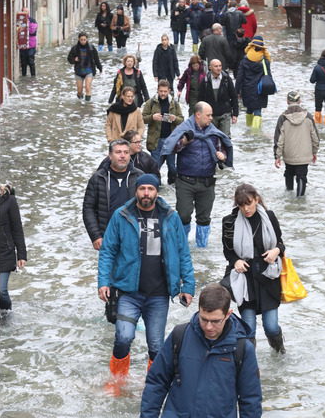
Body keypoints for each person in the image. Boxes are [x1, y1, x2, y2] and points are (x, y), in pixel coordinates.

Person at [97, 173, 195, 395]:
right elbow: (108, 251)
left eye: (151, 189)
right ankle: (116, 382)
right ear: (136, 191)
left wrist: (188, 286)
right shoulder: (122, 215)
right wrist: (103, 281)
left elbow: (183, 253)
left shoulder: (171, 217)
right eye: (143, 189)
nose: (146, 193)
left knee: (156, 346)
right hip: (127, 291)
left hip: (159, 294)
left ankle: (153, 385)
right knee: (123, 337)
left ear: (157, 192)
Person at [141, 283, 261, 417]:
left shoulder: (243, 349)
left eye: (215, 321)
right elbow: (156, 382)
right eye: (204, 319)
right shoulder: (179, 335)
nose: (209, 327)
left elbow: (250, 400)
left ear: (228, 314)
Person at [222, 183, 286, 353]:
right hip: (245, 279)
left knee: (271, 327)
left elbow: (281, 243)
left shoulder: (269, 217)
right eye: (241, 205)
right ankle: (249, 365)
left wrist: (276, 251)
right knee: (248, 330)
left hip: (268, 277)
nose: (246, 209)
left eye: (249, 203)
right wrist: (235, 261)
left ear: (256, 199)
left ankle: (279, 353)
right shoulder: (229, 222)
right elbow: (228, 252)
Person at [161, 101, 234, 248]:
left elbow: (222, 150)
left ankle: (202, 249)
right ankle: (182, 246)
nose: (211, 118)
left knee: (204, 218)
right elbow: (173, 147)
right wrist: (185, 141)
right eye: (208, 115)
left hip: (207, 182)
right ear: (198, 115)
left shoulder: (213, 132)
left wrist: (222, 156)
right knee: (183, 215)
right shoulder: (184, 130)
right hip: (185, 181)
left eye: (211, 115)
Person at [83, 138, 144, 251]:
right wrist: (95, 236)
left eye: (126, 152)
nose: (122, 156)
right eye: (118, 152)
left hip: (135, 236)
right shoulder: (98, 178)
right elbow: (88, 209)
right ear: (110, 155)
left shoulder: (140, 177)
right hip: (107, 236)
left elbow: (151, 206)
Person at [273, 90, 320, 197]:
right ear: (299, 101)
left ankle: (288, 199)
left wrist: (277, 156)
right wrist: (314, 151)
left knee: (288, 174)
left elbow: (279, 139)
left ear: (287, 101)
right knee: (302, 176)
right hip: (304, 154)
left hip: (289, 154)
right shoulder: (308, 116)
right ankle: (300, 203)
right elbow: (315, 137)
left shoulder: (283, 118)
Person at [142, 79, 185, 185]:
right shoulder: (150, 103)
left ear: (169, 90)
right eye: (161, 91)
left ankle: (172, 188)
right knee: (155, 167)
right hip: (156, 140)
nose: (162, 93)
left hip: (171, 140)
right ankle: (156, 187)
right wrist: (152, 117)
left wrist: (175, 118)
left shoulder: (174, 104)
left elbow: (182, 120)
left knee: (172, 168)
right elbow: (142, 119)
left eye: (165, 91)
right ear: (157, 90)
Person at [0, 182, 28, 318]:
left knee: (1, 291)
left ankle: (7, 314)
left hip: (5, 252)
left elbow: (17, 229)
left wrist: (21, 254)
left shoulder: (9, 200)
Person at [235, 35, 273, 129]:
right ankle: (255, 133)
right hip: (260, 90)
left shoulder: (245, 60)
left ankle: (248, 128)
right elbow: (268, 76)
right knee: (257, 111)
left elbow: (239, 77)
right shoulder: (264, 61)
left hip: (247, 89)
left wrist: (236, 91)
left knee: (249, 109)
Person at [197, 59, 239, 138]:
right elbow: (200, 99)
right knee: (211, 137)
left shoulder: (227, 79)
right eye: (216, 66)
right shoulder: (205, 81)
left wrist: (235, 114)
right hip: (210, 116)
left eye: (220, 66)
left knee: (225, 137)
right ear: (210, 67)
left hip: (225, 113)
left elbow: (234, 97)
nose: (219, 68)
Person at [67, 32, 103, 102]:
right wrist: (74, 59)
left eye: (84, 39)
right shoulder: (75, 48)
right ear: (79, 39)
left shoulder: (91, 48)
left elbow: (96, 59)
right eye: (81, 40)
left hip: (89, 70)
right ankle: (80, 104)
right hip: (79, 71)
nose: (83, 41)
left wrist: (99, 67)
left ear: (87, 39)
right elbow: (69, 58)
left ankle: (87, 106)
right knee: (79, 91)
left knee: (87, 88)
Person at [17, 8, 38, 77]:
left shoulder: (32, 20)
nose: (25, 12)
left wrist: (26, 23)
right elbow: (18, 30)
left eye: (26, 11)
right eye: (24, 11)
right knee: (23, 62)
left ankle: (33, 76)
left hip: (31, 44)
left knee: (31, 60)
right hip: (23, 43)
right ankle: (24, 76)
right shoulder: (19, 20)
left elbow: (32, 31)